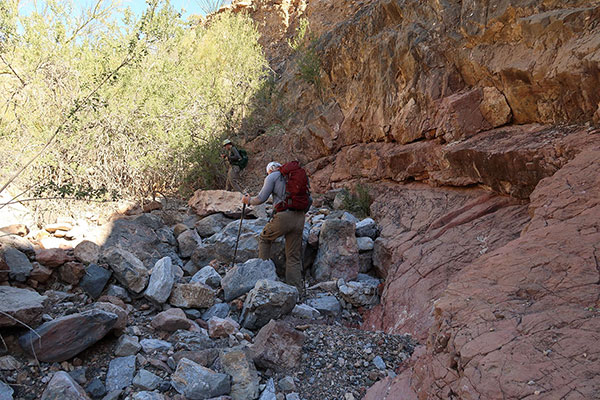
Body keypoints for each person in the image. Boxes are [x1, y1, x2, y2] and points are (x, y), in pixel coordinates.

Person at [242, 161, 306, 293]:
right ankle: (296, 291)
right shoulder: (296, 176)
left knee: (265, 238)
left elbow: (261, 198)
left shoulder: (272, 176)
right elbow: (309, 199)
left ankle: (263, 281)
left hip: (283, 217)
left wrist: (248, 201)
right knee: (293, 255)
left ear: (270, 170)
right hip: (300, 217)